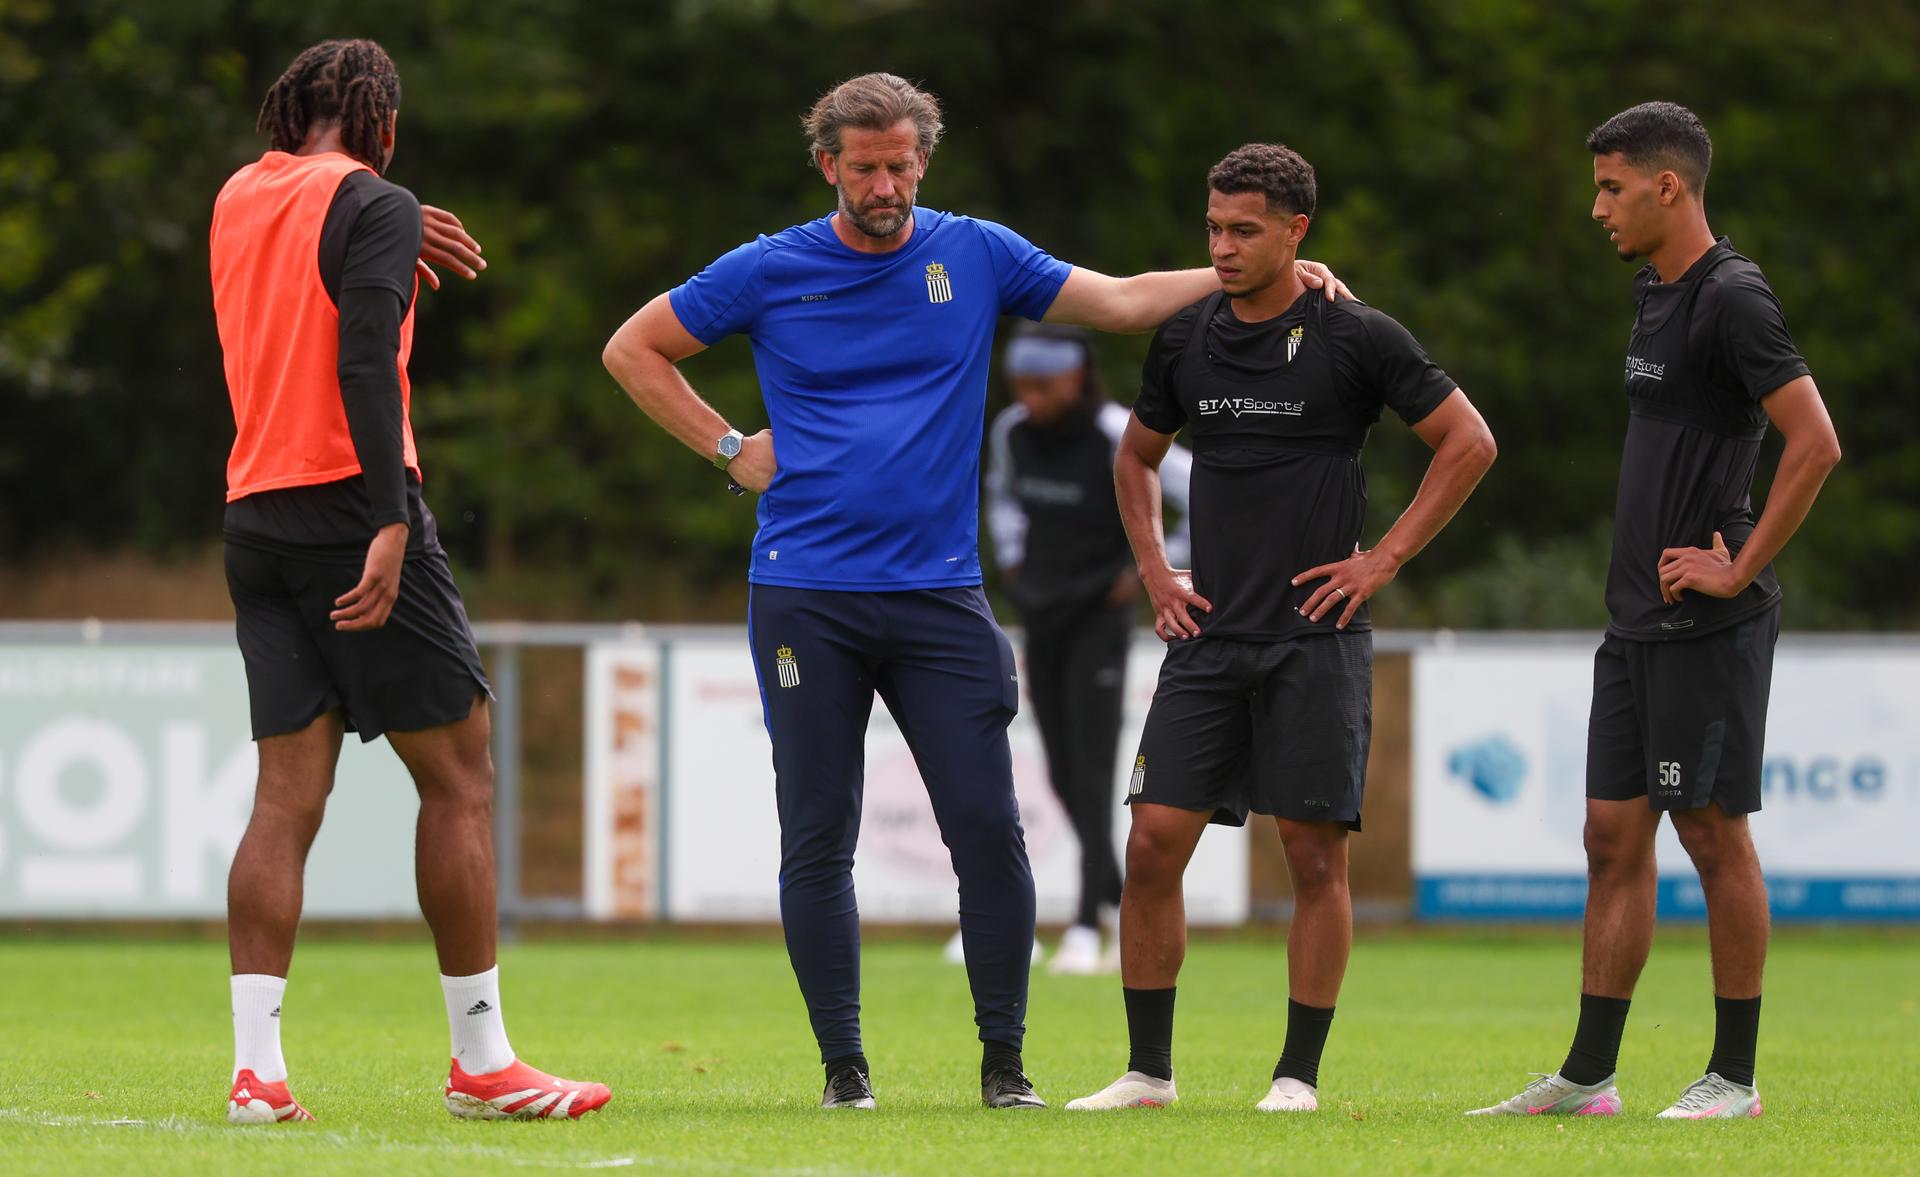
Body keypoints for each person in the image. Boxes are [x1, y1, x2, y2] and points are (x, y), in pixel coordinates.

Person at [601, 74, 1350, 1111]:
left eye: (901, 163)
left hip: (939, 598)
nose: (885, 182)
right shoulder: (769, 268)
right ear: (828, 165)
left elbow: (1126, 301)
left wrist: (1267, 272)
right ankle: (844, 1073)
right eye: (864, 165)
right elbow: (632, 348)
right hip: (804, 595)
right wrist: (729, 448)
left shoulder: (976, 252)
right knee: (818, 832)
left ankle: (1006, 1068)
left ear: (925, 159)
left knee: (989, 829)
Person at [212, 39, 609, 1123]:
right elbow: (360, 353)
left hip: (255, 515)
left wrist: (382, 220)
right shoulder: (376, 201)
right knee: (462, 774)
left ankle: (258, 1073)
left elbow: (314, 254)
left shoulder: (242, 195)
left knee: (286, 800)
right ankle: (482, 1063)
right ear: (382, 123)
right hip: (352, 502)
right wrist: (390, 519)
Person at [1066, 143, 1497, 1113]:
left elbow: (1469, 442)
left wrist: (1381, 560)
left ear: (1297, 231)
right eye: (1213, 227)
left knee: (1312, 856)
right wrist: (1154, 571)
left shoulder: (1359, 337)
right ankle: (1147, 1072)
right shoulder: (1185, 339)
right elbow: (1135, 460)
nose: (1221, 246)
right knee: (1150, 844)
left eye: (1243, 230)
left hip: (1316, 638)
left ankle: (1296, 1077)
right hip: (1208, 637)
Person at [1470, 102, 1839, 1121]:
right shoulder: (1653, 294)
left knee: (1712, 836)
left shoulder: (1735, 298)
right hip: (1632, 619)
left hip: (1703, 623)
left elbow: (1815, 442)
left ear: (1668, 186)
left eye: (1612, 187)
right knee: (1608, 837)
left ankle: (1735, 1077)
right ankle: (1589, 1077)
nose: (1598, 207)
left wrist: (1738, 564)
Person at [978, 323, 1192, 975]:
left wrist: (1154, 567)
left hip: (1100, 617)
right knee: (1063, 770)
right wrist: (1014, 563)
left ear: (1077, 377)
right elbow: (1002, 498)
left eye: (1045, 384)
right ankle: (1120, 893)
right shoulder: (1012, 429)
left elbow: (1201, 497)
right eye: (1022, 384)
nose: (1031, 397)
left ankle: (1085, 922)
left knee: (1097, 770)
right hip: (1042, 614)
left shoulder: (1115, 430)